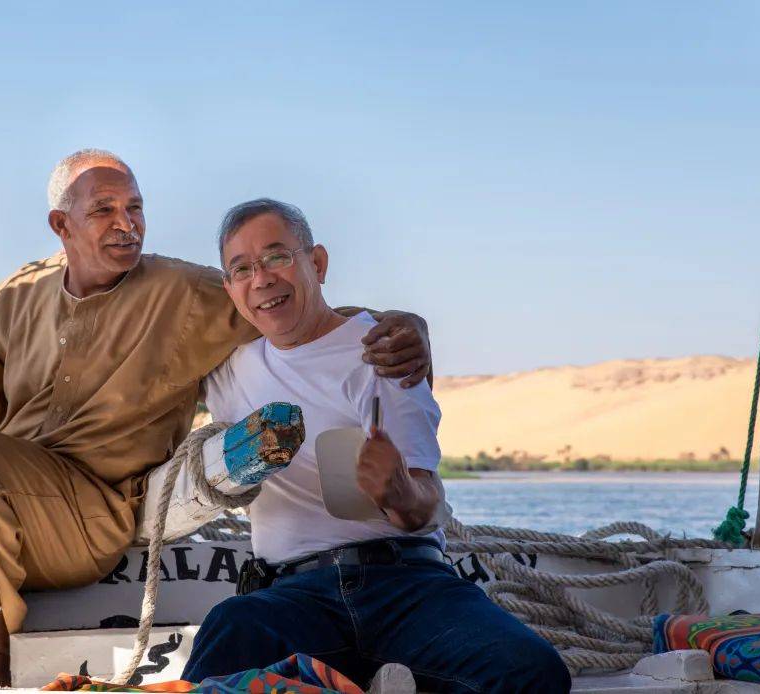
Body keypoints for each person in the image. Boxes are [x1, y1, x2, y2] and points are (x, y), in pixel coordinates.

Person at [0, 152, 432, 687]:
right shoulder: (14, 299)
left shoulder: (185, 293)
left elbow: (291, 307)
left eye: (135, 208)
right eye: (104, 210)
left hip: (92, 513)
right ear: (61, 225)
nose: (127, 223)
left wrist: (402, 325)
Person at [181, 199, 571, 693]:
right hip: (292, 596)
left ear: (317, 263)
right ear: (230, 288)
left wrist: (399, 493)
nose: (261, 279)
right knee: (229, 630)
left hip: (404, 586)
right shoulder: (224, 368)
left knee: (531, 670)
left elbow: (426, 505)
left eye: (277, 257)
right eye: (242, 268)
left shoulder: (384, 351)